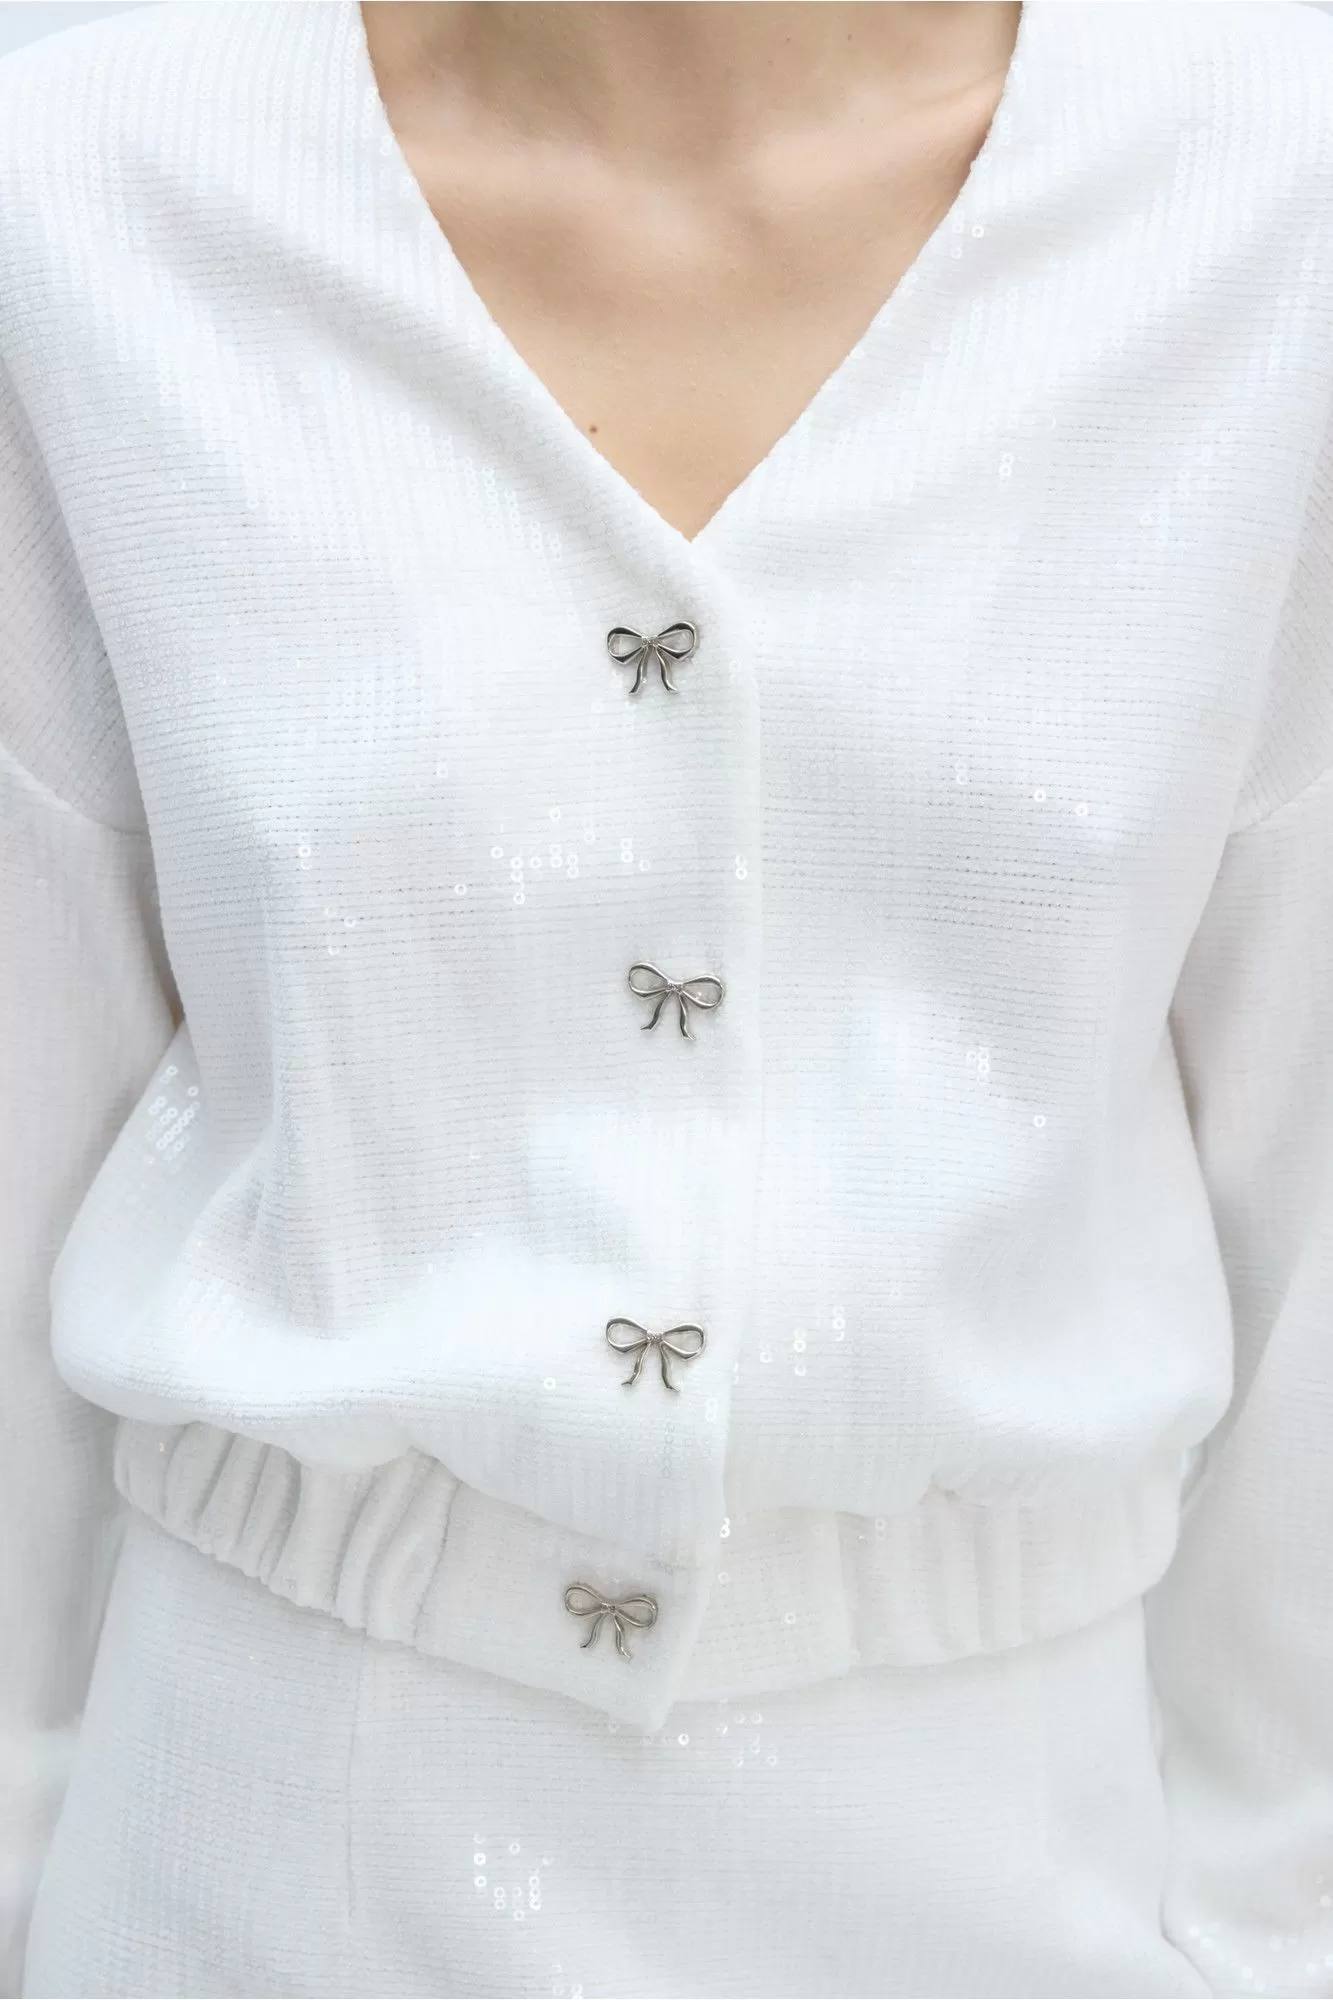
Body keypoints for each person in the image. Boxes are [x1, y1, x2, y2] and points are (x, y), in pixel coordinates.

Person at [2, 0, 1332, 1993]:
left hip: (1038, 1882)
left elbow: (1313, 1200)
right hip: (251, 1879)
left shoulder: (1270, 199)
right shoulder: (87, 196)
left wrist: (1273, 1930)